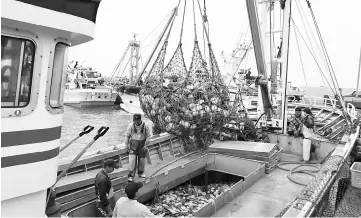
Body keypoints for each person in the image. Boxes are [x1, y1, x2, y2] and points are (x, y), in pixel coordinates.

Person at [126, 114, 152, 182]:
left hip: (142, 146)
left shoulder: (145, 126)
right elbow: (127, 136)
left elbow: (148, 136)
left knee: (142, 160)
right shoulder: (130, 126)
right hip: (133, 146)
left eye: (138, 120)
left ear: (140, 119)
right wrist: (127, 144)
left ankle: (141, 172)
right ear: (133, 120)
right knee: (132, 160)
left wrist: (146, 145)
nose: (136, 122)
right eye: (135, 120)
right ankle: (130, 175)